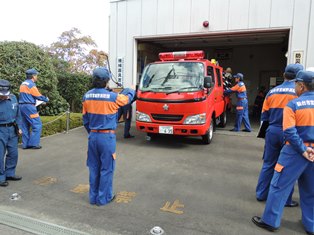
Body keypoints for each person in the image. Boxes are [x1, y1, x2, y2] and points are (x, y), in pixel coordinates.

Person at [252, 70, 314, 234]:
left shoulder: (293, 105)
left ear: (301, 85)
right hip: (312, 153)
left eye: (296, 84)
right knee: (310, 190)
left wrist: (303, 150)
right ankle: (311, 224)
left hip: (295, 151)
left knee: (278, 185)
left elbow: (289, 132)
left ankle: (270, 221)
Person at [82, 67, 135, 206]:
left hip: (92, 136)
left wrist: (93, 132)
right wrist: (130, 89)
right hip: (107, 138)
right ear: (106, 81)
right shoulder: (113, 97)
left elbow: (85, 120)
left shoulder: (86, 96)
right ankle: (103, 198)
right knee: (107, 168)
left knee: (94, 167)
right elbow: (127, 99)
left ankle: (93, 198)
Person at [255, 64, 303, 206]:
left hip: (273, 130)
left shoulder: (272, 92)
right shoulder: (299, 93)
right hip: (291, 132)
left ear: (283, 75)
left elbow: (264, 115)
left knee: (268, 164)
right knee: (287, 168)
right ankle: (286, 200)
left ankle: (261, 194)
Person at [19, 68, 49, 149]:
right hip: (29, 107)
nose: (37, 77)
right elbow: (38, 96)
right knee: (37, 125)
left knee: (25, 126)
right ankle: (33, 144)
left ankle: (25, 144)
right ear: (33, 76)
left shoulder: (23, 84)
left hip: (22, 106)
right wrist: (46, 99)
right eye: (36, 75)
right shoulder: (31, 84)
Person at [0, 79, 23, 187]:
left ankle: (10, 173)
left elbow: (18, 114)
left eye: (6, 94)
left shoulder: (13, 98)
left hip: (12, 129)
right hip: (1, 130)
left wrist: (19, 127)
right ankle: (0, 177)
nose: (4, 97)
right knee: (0, 155)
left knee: (13, 153)